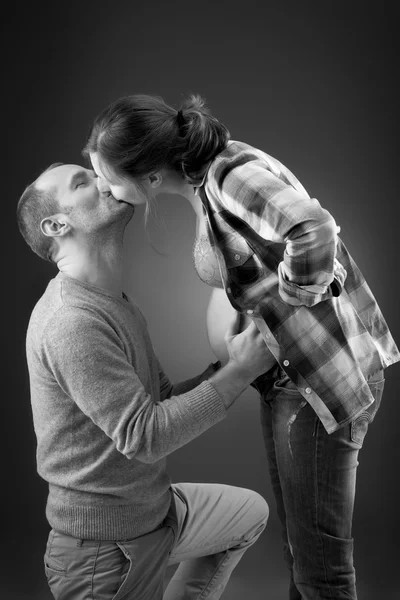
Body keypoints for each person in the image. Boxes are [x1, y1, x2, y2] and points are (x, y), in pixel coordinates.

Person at [83, 93, 400, 600]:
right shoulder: (205, 183)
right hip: (287, 384)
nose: (102, 186)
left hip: (313, 387)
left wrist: (295, 302)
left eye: (106, 175)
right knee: (302, 556)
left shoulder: (228, 174)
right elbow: (254, 259)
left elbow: (313, 228)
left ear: (149, 175)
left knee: (323, 572)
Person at [16, 161, 275, 600]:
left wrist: (225, 368)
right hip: (102, 554)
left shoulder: (117, 305)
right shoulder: (71, 321)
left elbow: (164, 401)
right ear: (56, 225)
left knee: (248, 513)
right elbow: (144, 435)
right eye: (83, 182)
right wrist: (242, 371)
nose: (103, 179)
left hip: (156, 516)